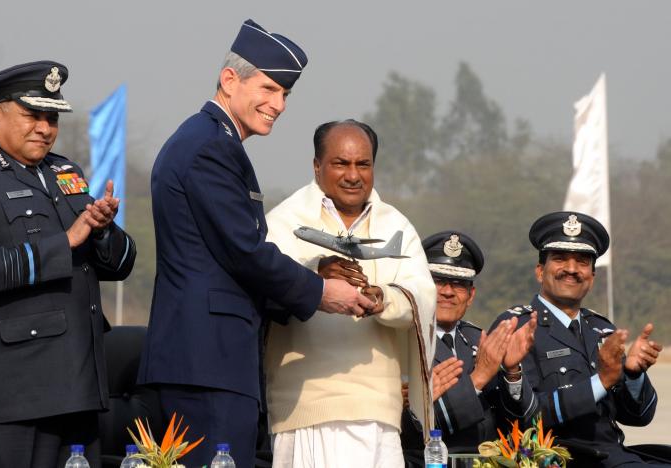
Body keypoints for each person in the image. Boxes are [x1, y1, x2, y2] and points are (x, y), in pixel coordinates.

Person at [137, 20, 374, 467]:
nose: (278, 104)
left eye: (285, 95)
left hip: (211, 360)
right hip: (206, 363)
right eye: (268, 89)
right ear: (230, 80)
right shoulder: (209, 147)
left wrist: (312, 277)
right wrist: (323, 294)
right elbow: (244, 252)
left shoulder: (211, 141)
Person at [0, 61, 136, 467]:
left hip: (77, 390)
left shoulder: (65, 173)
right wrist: (66, 241)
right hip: (9, 401)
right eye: (32, 115)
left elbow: (121, 264)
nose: (45, 127)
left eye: (51, 117)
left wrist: (100, 230)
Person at [263, 119, 436, 467]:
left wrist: (382, 298)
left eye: (363, 164)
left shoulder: (396, 224)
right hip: (305, 409)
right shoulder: (283, 221)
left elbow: (423, 294)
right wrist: (314, 275)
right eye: (341, 163)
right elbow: (264, 286)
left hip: (379, 413)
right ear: (317, 166)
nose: (353, 175)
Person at [494, 211, 667, 467]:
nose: (572, 269)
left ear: (592, 277)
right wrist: (601, 381)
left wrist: (632, 374)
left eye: (583, 262)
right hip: (556, 458)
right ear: (540, 271)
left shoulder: (601, 329)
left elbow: (640, 417)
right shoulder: (516, 327)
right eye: (561, 259)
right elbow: (523, 418)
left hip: (614, 456)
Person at [400, 231, 535, 454]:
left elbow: (527, 423)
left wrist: (512, 373)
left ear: (471, 296)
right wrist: (478, 378)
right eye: (438, 281)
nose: (448, 292)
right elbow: (416, 428)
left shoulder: (478, 339)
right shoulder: (402, 339)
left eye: (458, 284)